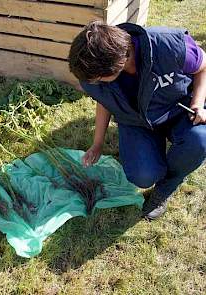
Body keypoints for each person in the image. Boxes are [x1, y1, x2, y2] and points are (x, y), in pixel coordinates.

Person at [68, 21, 206, 220]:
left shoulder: (167, 45)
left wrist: (198, 103)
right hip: (135, 120)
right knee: (143, 175)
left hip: (178, 109)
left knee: (199, 140)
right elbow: (105, 100)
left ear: (117, 65)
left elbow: (202, 67)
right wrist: (97, 144)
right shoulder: (94, 73)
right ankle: (155, 160)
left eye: (98, 79)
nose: (93, 83)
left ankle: (167, 186)